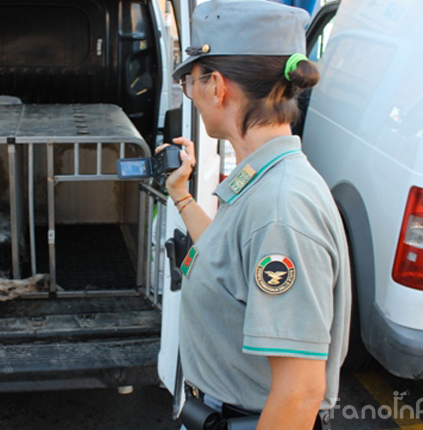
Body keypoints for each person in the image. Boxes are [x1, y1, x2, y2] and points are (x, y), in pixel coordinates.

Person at [158, 1, 351, 429]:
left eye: (191, 82)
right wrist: (182, 197)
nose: (193, 95)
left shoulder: (281, 208)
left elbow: (299, 392)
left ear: (217, 86)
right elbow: (226, 264)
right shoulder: (263, 181)